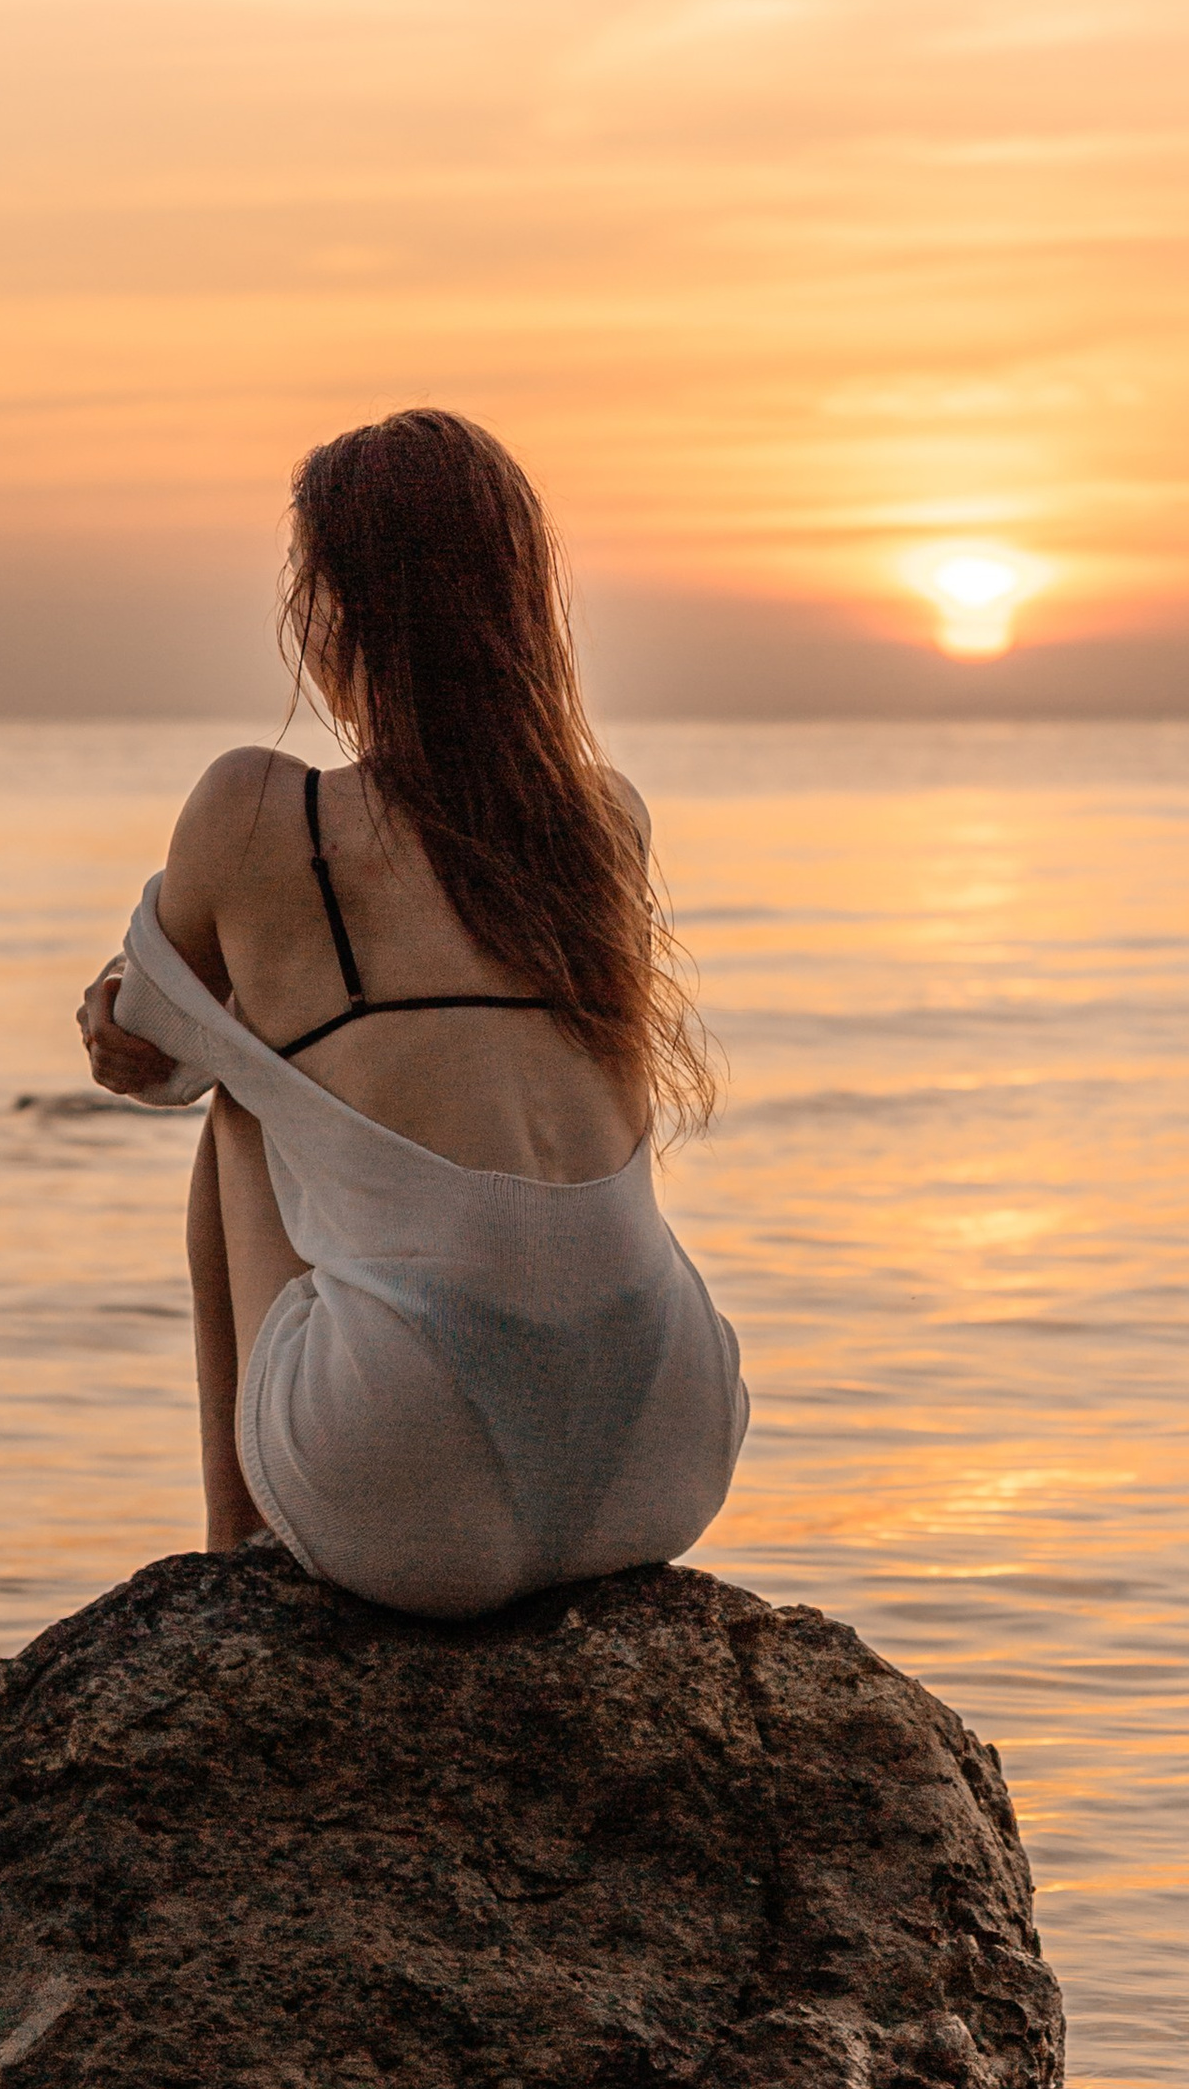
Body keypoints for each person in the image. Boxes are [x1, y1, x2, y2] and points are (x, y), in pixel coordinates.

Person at [77, 410, 748, 1621]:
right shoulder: (601, 823)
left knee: (247, 1103)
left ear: (330, 610)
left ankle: (237, 1545)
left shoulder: (253, 807)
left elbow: (143, 1055)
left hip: (400, 1477)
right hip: (666, 1449)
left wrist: (146, 1010)